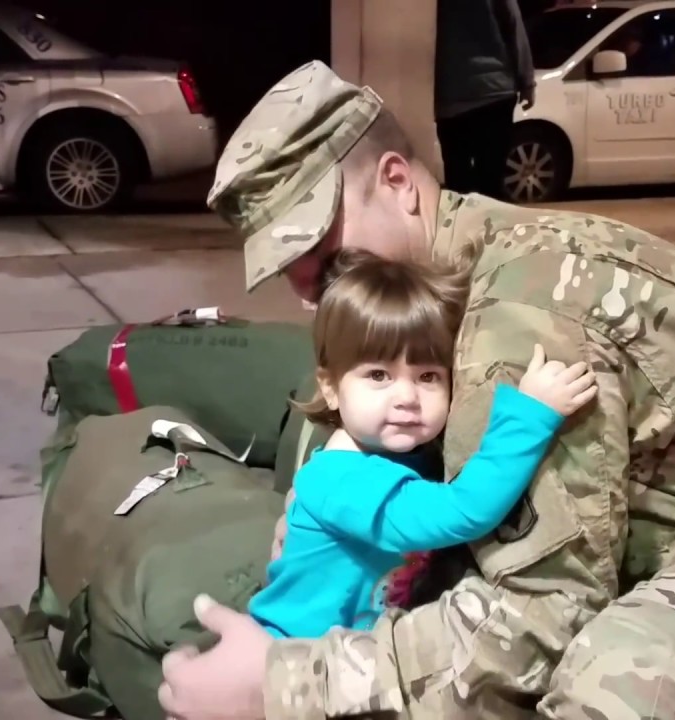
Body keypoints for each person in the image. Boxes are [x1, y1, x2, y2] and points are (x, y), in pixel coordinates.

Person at [159, 60, 675, 720]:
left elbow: (538, 615)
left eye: (324, 252)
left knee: (618, 685)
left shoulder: (522, 314)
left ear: (401, 183)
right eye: (295, 276)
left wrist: (285, 686)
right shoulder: (432, 284)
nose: (313, 290)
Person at [246, 250, 598, 639]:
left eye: (427, 376)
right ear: (330, 387)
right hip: (288, 655)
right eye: (379, 374)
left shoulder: (397, 455)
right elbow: (463, 510)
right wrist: (528, 416)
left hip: (342, 657)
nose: (407, 397)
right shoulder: (345, 481)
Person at [434, 0, 536, 199]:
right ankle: (491, 228)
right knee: (492, 183)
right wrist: (527, 82)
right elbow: (513, 26)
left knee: (458, 185)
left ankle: (463, 228)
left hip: (450, 97)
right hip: (494, 93)